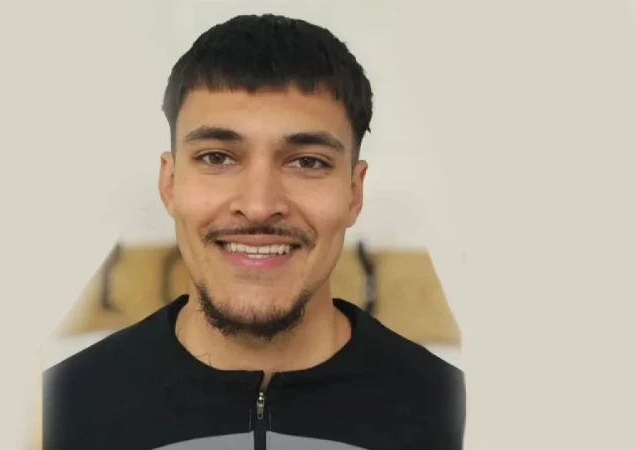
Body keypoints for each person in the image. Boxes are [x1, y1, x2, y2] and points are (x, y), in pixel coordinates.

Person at [43, 13, 465, 450]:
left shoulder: (456, 417)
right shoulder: (59, 413)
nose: (260, 205)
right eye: (217, 158)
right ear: (169, 183)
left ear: (354, 193)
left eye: (307, 162)